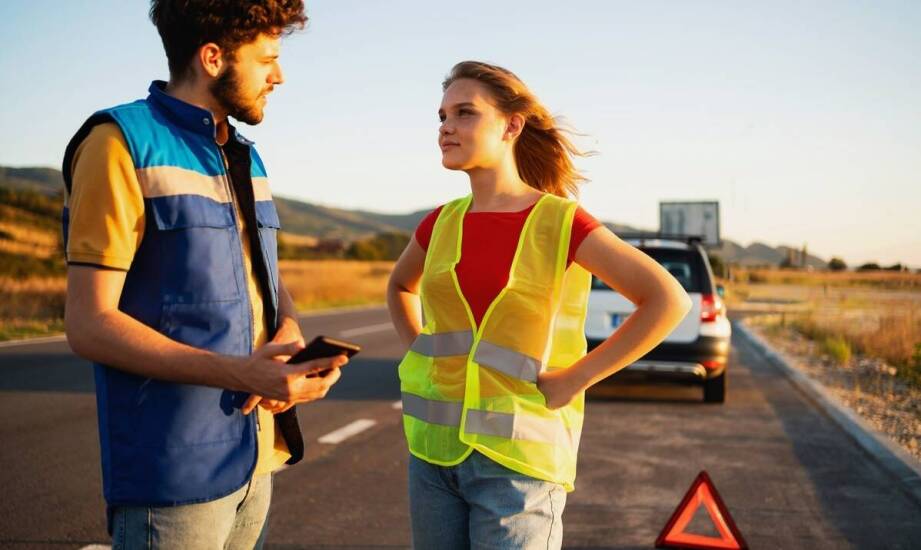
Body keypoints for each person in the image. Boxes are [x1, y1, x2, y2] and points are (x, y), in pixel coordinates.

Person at [61, 2, 344, 548]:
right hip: (173, 474)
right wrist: (246, 375)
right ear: (213, 58)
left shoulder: (244, 154)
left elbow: (262, 273)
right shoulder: (118, 144)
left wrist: (289, 331)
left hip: (257, 460)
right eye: (267, 60)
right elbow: (88, 323)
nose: (278, 76)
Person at [387, 61, 693, 549]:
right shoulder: (438, 223)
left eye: (465, 113)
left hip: (518, 469)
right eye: (442, 115)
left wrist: (575, 379)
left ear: (512, 125)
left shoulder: (560, 222)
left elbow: (666, 300)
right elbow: (400, 287)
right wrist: (416, 354)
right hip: (433, 460)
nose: (446, 126)